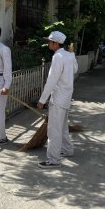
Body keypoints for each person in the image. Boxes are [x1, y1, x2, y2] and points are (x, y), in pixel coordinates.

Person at [37, 31, 78, 168]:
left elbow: (52, 80)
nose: (48, 43)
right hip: (66, 98)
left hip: (58, 98)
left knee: (54, 129)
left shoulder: (57, 57)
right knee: (62, 127)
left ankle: (54, 159)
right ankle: (67, 149)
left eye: (49, 41)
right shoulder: (69, 55)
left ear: (55, 43)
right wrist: (72, 54)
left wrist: (42, 99)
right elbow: (75, 69)